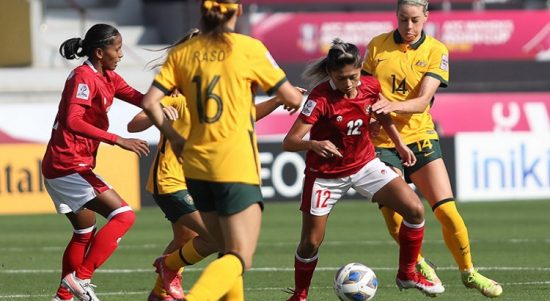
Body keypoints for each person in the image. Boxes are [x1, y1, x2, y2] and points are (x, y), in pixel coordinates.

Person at [140, 1, 304, 300]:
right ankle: (191, 289)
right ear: (237, 11)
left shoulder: (181, 53)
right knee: (240, 256)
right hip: (235, 164)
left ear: (203, 12)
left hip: (195, 167)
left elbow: (149, 103)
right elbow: (291, 97)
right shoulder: (248, 48)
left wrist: (174, 138)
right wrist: (289, 95)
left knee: (224, 247)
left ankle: (170, 266)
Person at [283, 39, 445, 301]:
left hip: (364, 165)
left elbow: (382, 113)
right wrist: (313, 143)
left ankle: (407, 273)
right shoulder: (320, 97)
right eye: (341, 78)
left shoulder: (369, 85)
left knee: (415, 210)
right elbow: (289, 142)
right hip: (325, 177)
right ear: (330, 74)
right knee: (310, 242)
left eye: (353, 77)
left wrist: (399, 144)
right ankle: (300, 295)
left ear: (360, 70)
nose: (349, 84)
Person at [363, 0, 503, 298]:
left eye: (415, 20)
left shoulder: (436, 50)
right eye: (403, 19)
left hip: (421, 136)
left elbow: (423, 101)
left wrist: (390, 105)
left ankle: (469, 272)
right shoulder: (377, 46)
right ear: (396, 16)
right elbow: (362, 92)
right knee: (395, 214)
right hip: (383, 142)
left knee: (448, 211)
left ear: (426, 16)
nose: (409, 27)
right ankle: (419, 263)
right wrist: (366, 116)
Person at [42, 24, 149, 301]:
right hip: (68, 164)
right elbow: (73, 121)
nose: (121, 54)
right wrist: (119, 140)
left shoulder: (109, 76)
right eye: (117, 49)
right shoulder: (83, 77)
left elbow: (142, 99)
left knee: (84, 230)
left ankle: (63, 297)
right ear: (100, 52)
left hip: (67, 164)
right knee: (124, 215)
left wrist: (175, 94)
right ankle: (80, 279)